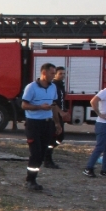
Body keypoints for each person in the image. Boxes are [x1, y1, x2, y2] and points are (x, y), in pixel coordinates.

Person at [21, 63, 62, 191]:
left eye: (55, 73)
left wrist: (57, 123)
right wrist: (39, 107)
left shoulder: (53, 87)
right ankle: (30, 180)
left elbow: (54, 106)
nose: (54, 76)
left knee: (42, 153)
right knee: (35, 153)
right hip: (34, 124)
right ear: (44, 73)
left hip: (47, 123)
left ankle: (34, 178)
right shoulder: (31, 87)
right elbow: (24, 105)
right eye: (52, 73)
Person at [83, 73, 106, 178]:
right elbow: (93, 101)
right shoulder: (105, 92)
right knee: (100, 147)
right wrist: (99, 114)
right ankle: (88, 168)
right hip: (103, 124)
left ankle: (105, 170)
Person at [45, 66, 67, 168]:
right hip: (54, 115)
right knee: (54, 136)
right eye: (60, 74)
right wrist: (60, 112)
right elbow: (53, 102)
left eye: (63, 74)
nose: (62, 76)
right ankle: (47, 159)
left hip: (60, 114)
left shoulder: (60, 85)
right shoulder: (53, 85)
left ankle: (47, 154)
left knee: (60, 137)